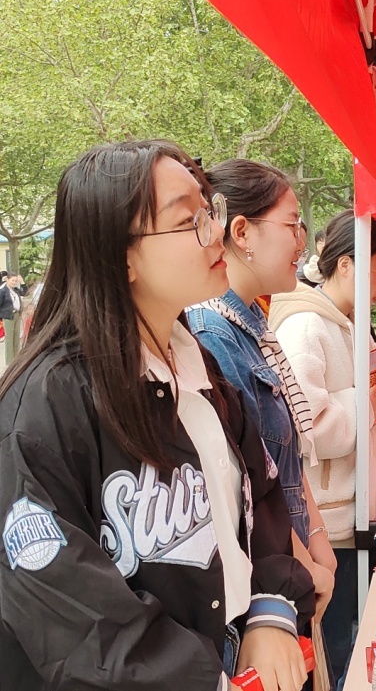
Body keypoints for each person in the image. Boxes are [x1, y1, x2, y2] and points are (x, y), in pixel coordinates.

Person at [0, 140, 315, 690]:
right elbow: (64, 604)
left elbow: (260, 495)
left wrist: (269, 609)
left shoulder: (198, 364)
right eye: (189, 220)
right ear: (120, 255)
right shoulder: (46, 405)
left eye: (209, 210)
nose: (215, 233)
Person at [268, 210, 376, 689]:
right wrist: (361, 404)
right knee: (336, 646)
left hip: (357, 511)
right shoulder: (304, 328)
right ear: (345, 264)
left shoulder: (354, 325)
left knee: (355, 638)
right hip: (329, 524)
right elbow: (305, 426)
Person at [184, 161, 337, 640]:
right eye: (292, 225)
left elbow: (284, 453)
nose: (301, 243)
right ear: (242, 232)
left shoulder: (253, 326)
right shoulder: (213, 335)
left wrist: (317, 539)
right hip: (267, 586)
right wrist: (304, 563)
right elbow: (249, 483)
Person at [0, 271, 28, 361]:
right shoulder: (3, 291)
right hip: (8, 316)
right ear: (7, 280)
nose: (14, 282)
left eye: (16, 281)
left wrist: (22, 282)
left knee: (16, 337)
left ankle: (16, 358)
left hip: (17, 315)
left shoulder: (15, 290)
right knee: (9, 338)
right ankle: (10, 360)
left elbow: (25, 293)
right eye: (12, 280)